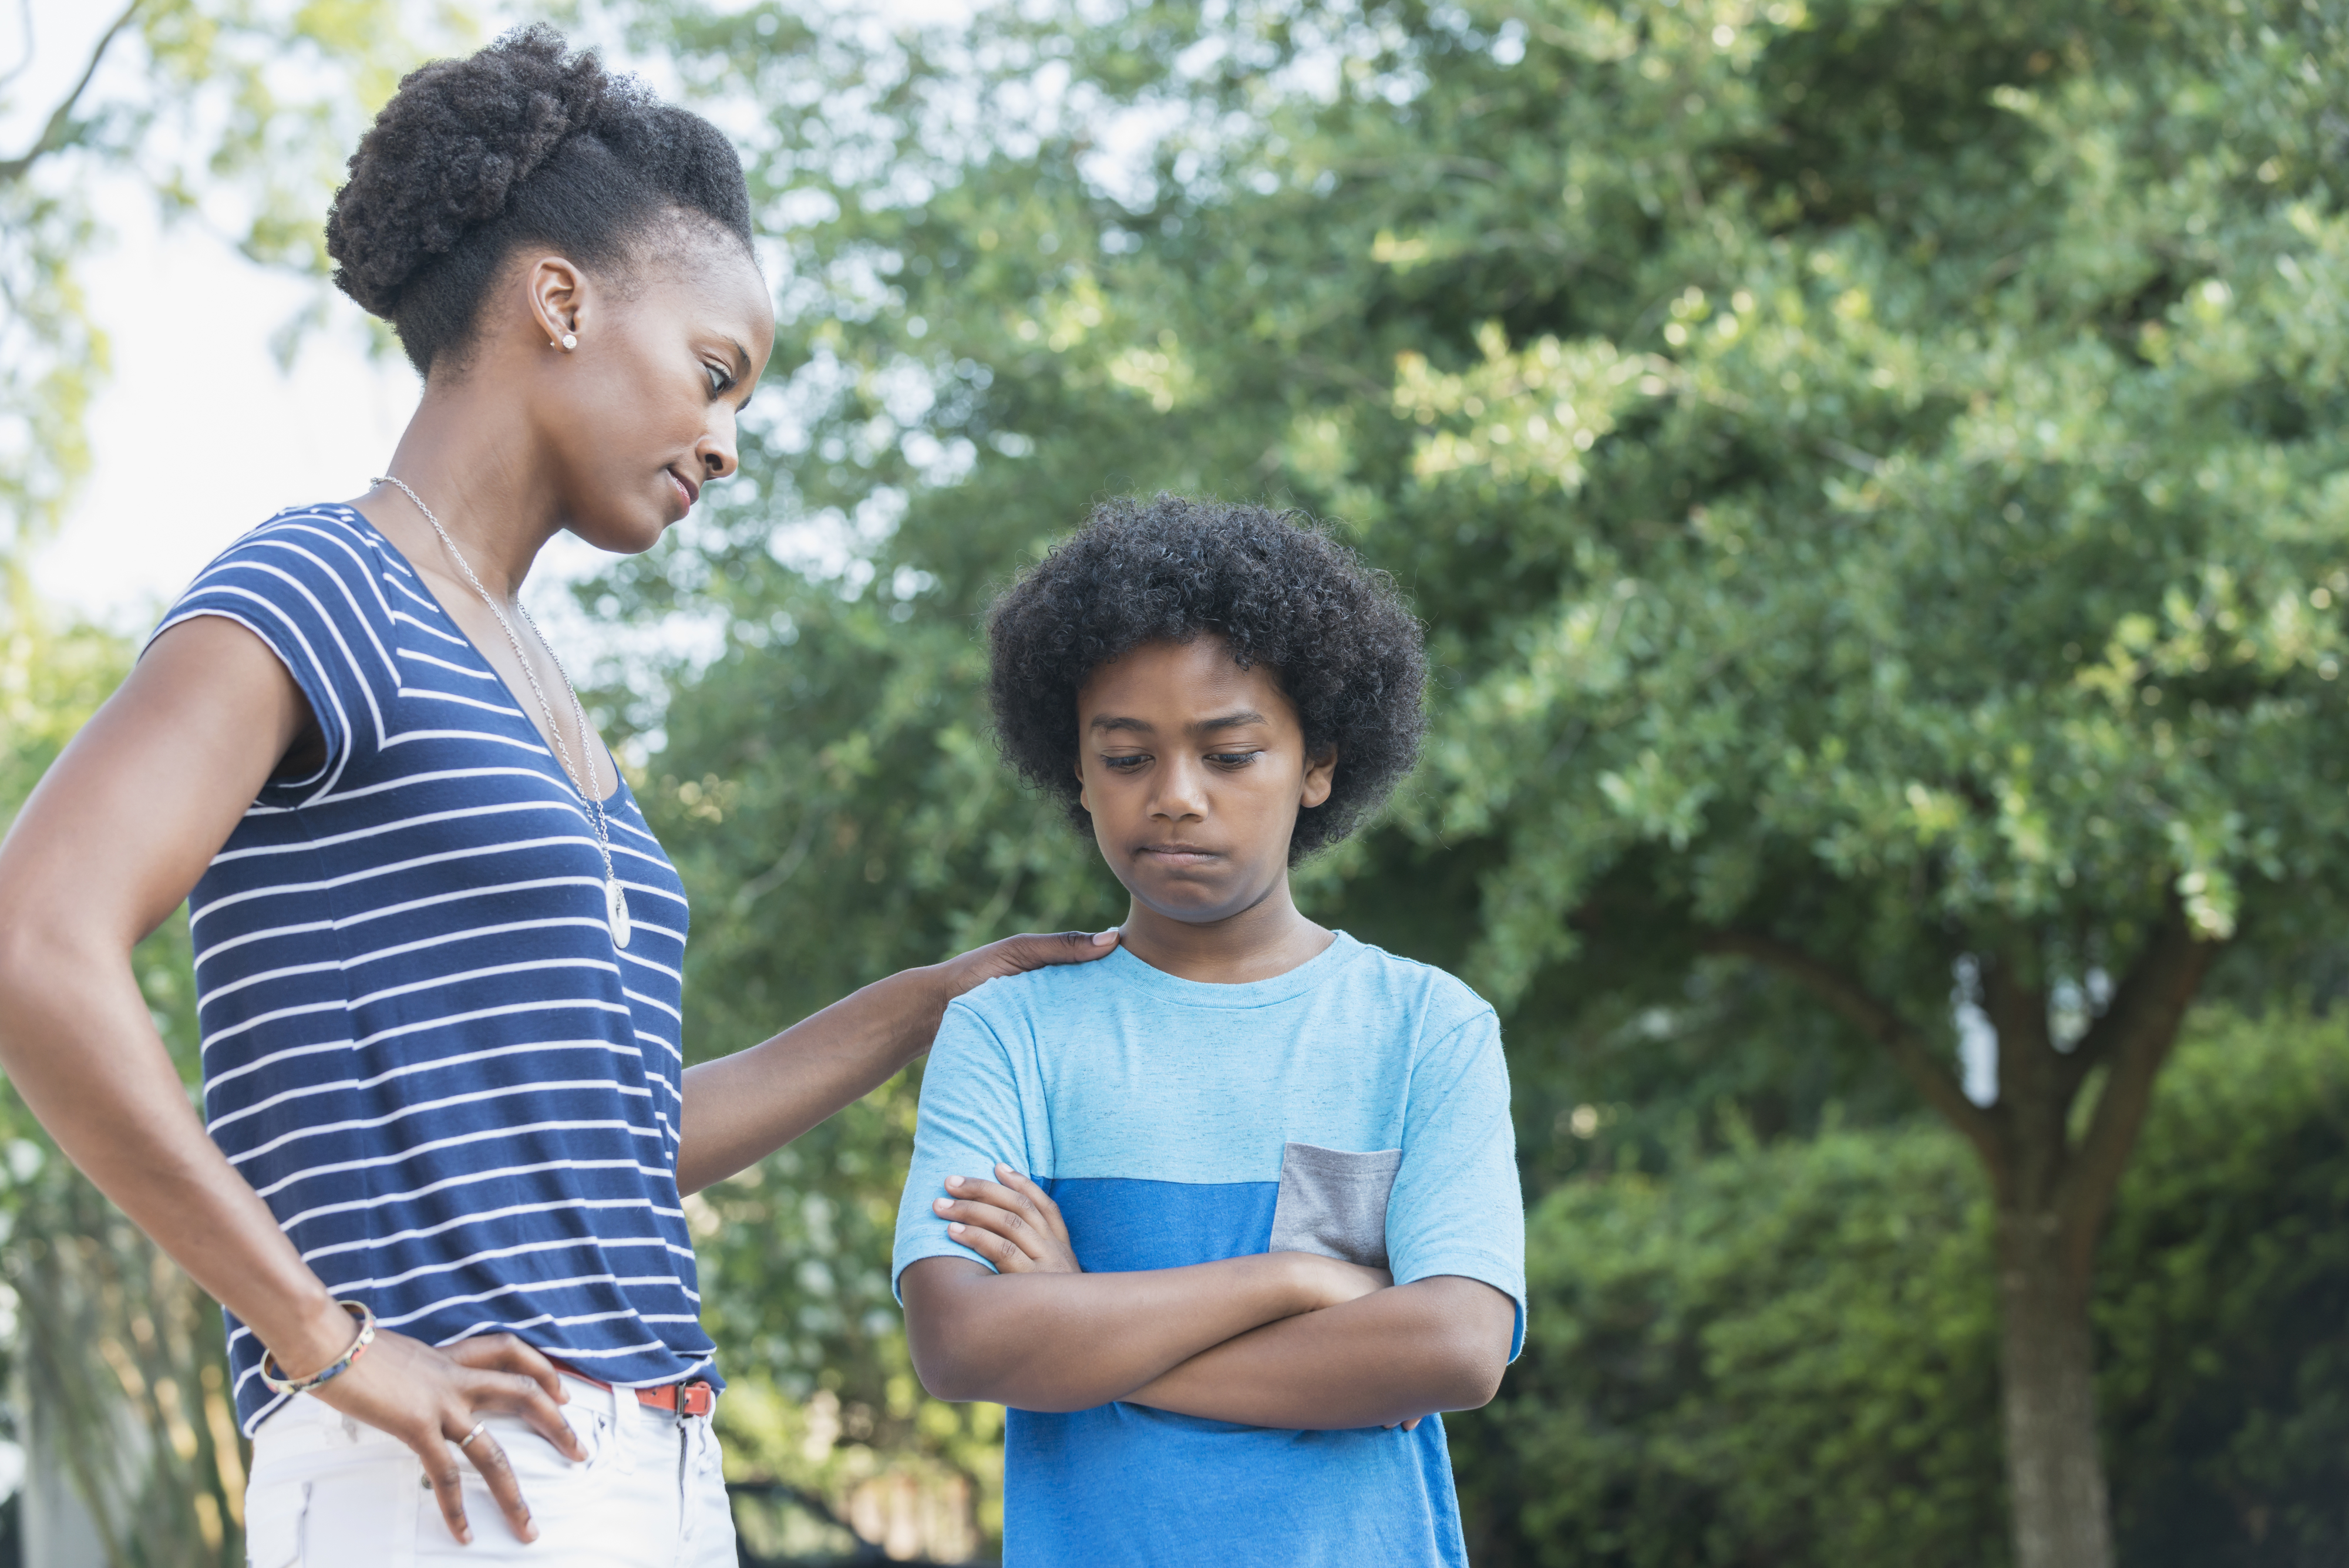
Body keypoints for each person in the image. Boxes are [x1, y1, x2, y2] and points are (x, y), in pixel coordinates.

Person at [0, 26, 1113, 1566]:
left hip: (649, 1461)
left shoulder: (534, 686)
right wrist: (322, 1337)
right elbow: (33, 940)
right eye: (715, 377)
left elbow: (610, 1137)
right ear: (562, 299)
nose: (726, 446)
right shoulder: (331, 585)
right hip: (447, 1471)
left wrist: (931, 1000)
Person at [891, 494, 1526, 1567]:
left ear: (1317, 763)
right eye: (1128, 757)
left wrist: (1083, 1328)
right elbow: (962, 1339)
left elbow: (1456, 1347)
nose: (1176, 797)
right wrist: (1289, 1283)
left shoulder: (1426, 1026)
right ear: (1077, 770)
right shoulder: (1011, 1031)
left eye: (1229, 755)